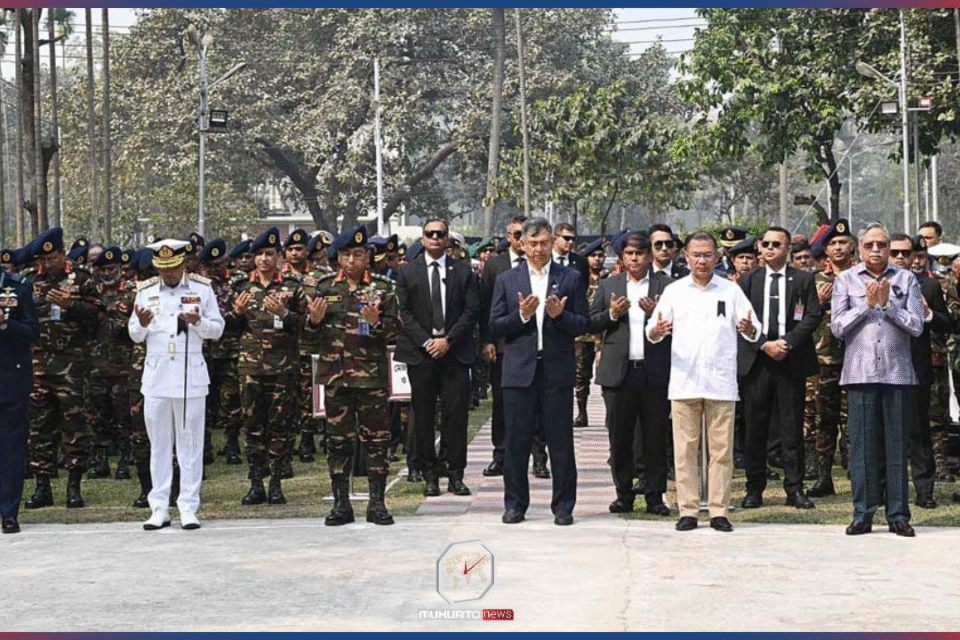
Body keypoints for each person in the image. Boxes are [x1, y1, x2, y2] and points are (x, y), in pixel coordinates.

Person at [647, 231, 761, 532]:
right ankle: (688, 510)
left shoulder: (730, 290)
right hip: (684, 381)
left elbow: (755, 329)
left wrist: (748, 328)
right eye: (696, 254)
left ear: (717, 257)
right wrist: (658, 330)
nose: (701, 260)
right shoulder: (674, 291)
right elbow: (652, 330)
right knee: (685, 449)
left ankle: (719, 510)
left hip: (721, 382)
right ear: (685, 257)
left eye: (707, 254)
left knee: (721, 450)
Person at [489, 217, 589, 526]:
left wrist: (560, 316)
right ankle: (515, 504)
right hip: (519, 370)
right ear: (521, 244)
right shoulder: (507, 279)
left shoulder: (570, 277)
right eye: (532, 243)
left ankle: (563, 507)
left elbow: (583, 324)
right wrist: (521, 314)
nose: (539, 249)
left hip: (555, 369)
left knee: (560, 442)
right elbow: (494, 325)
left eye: (544, 242)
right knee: (516, 442)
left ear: (553, 242)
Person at [303, 225, 400, 526]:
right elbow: (307, 340)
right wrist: (314, 322)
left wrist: (376, 323)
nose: (352, 261)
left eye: (358, 255)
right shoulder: (325, 288)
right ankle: (341, 504)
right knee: (338, 442)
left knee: (377, 442)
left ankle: (377, 504)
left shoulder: (383, 289)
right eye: (346, 255)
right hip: (336, 378)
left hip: (370, 378)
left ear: (367, 257)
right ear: (338, 258)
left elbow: (397, 333)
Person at [831, 223, 923, 537]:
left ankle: (898, 514)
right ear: (860, 248)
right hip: (860, 373)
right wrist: (866, 306)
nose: (876, 251)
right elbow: (837, 327)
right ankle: (863, 514)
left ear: (888, 247)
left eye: (881, 245)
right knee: (864, 449)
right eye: (869, 245)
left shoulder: (906, 278)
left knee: (897, 447)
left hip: (897, 374)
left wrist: (889, 306)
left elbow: (917, 326)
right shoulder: (845, 280)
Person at [129, 239, 224, 530]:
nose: (169, 275)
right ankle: (159, 506)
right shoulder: (145, 292)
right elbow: (133, 334)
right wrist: (142, 324)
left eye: (173, 269)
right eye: (163, 270)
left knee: (190, 445)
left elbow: (217, 330)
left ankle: (188, 506)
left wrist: (197, 323)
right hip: (157, 377)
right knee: (159, 445)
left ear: (184, 263)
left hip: (189, 375)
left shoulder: (201, 289)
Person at [738, 227, 822, 511]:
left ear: (788, 249)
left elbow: (812, 315)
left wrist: (786, 343)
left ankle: (794, 488)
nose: (770, 248)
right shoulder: (748, 280)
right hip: (758, 362)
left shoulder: (802, 278)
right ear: (760, 248)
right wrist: (764, 345)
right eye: (766, 244)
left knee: (791, 427)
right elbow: (741, 320)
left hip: (790, 360)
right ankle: (754, 488)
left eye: (777, 244)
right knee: (755, 428)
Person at [395, 219, 479, 497]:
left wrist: (448, 340)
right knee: (424, 416)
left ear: (447, 239)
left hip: (454, 352)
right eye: (430, 234)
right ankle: (429, 473)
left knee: (455, 417)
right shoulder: (407, 272)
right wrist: (427, 341)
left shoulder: (463, 271)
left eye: (440, 234)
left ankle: (455, 474)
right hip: (422, 353)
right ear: (422, 238)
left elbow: (471, 311)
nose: (434, 238)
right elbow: (404, 313)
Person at [590, 233, 671, 516]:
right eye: (629, 253)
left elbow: (679, 325)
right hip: (618, 373)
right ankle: (623, 494)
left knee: (655, 437)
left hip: (654, 372)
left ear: (649, 256)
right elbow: (590, 322)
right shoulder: (609, 285)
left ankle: (654, 495)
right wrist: (611, 314)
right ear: (622, 257)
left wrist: (656, 314)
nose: (634, 258)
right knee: (620, 437)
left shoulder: (667, 286)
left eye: (640, 253)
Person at [23, 228, 104, 510]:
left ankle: (74, 486)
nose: (46, 264)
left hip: (72, 366)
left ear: (62, 254)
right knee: (39, 429)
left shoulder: (81, 280)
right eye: (42, 259)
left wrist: (72, 307)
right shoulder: (30, 281)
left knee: (74, 428)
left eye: (51, 257)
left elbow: (98, 317)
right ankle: (42, 486)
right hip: (38, 367)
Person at [226, 228, 306, 506]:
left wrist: (285, 314)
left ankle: (275, 483)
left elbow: (308, 326)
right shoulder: (240, 288)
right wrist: (236, 313)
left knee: (279, 426)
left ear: (279, 257)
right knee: (253, 426)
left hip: (282, 368)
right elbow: (225, 329)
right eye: (258, 254)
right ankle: (255, 483)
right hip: (250, 369)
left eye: (268, 254)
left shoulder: (293, 287)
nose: (262, 260)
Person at [480, 215, 548, 479]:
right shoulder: (496, 266)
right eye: (517, 234)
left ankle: (539, 457)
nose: (521, 239)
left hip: (537, 347)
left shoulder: (542, 267)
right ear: (509, 237)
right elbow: (486, 307)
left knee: (539, 406)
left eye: (526, 233)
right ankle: (501, 454)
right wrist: (486, 341)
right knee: (502, 404)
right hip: (505, 346)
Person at [889, 233, 949, 509]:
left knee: (918, 432)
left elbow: (947, 323)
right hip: (880, 368)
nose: (901, 257)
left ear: (915, 256)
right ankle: (883, 490)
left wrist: (927, 315)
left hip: (915, 366)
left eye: (906, 252)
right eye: (895, 253)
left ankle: (924, 490)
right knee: (882, 432)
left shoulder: (928, 286)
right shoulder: (868, 282)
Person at [807, 219, 856, 497]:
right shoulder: (813, 282)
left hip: (856, 360)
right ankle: (824, 478)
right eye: (833, 243)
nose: (838, 247)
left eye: (843, 242)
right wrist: (819, 304)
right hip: (823, 361)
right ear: (825, 250)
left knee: (854, 422)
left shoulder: (861, 276)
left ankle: (857, 475)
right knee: (824, 420)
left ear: (852, 247)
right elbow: (799, 320)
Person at [0, 266, 39, 533]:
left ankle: (9, 512)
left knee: (11, 449)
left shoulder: (19, 286)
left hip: (10, 381)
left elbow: (31, 331)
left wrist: (4, 322)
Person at [574, 239, 606, 427]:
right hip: (582, 336)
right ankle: (581, 413)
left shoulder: (609, 280)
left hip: (603, 335)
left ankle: (610, 413)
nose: (597, 259)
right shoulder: (579, 279)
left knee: (606, 375)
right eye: (593, 256)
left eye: (600, 256)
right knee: (581, 375)